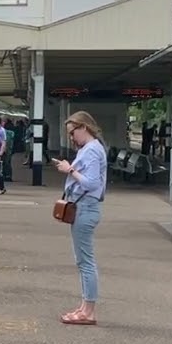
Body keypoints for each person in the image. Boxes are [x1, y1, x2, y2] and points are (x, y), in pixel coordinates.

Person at [54, 110, 107, 326]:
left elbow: (92, 183)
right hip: (83, 208)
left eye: (72, 132)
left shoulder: (93, 151)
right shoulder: (91, 148)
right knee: (83, 260)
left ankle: (89, 311)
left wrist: (70, 170)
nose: (71, 137)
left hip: (85, 208)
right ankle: (85, 307)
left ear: (84, 128)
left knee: (85, 262)